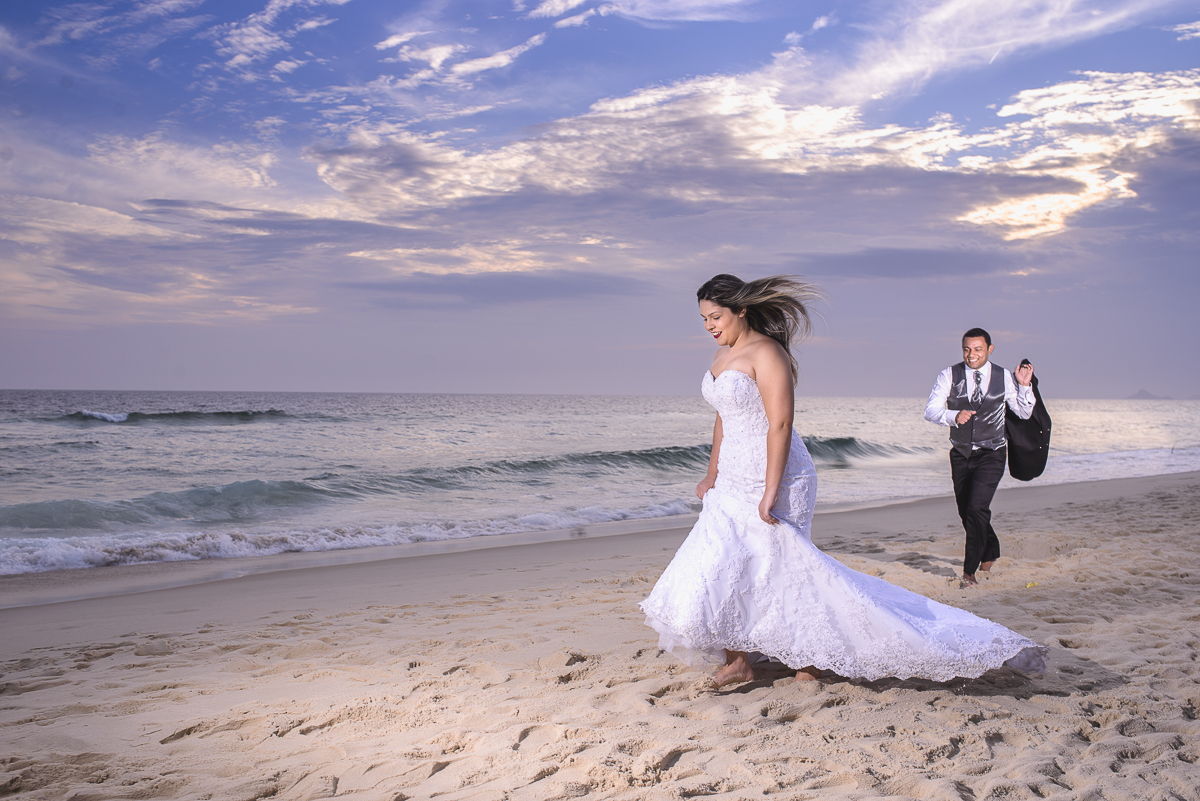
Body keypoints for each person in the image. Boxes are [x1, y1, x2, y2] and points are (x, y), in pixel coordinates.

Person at [640, 275, 1046, 688]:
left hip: (779, 474)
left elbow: (780, 424)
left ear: (741, 310)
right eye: (704, 319)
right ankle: (738, 659)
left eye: (716, 316)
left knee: (788, 568)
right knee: (727, 562)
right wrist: (712, 473)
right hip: (732, 475)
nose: (709, 325)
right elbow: (724, 417)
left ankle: (809, 660)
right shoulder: (720, 357)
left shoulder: (767, 352)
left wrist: (770, 489)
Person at [924, 329, 1035, 586]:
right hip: (961, 454)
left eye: (977, 349)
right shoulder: (948, 375)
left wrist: (1024, 386)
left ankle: (969, 570)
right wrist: (953, 416)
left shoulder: (1004, 376)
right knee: (967, 512)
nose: (971, 354)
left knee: (976, 508)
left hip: (992, 453)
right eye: (967, 349)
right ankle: (991, 550)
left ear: (989, 349)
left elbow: (1023, 413)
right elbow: (931, 410)